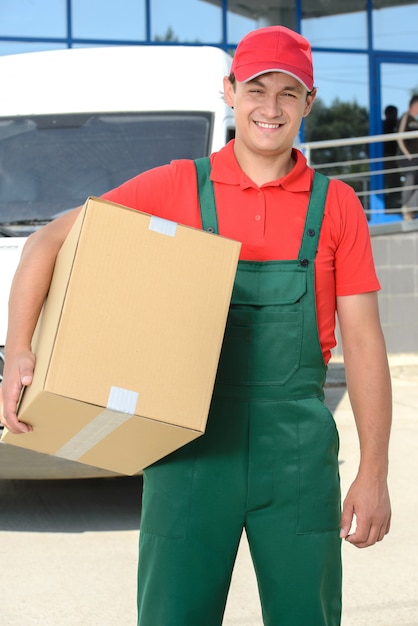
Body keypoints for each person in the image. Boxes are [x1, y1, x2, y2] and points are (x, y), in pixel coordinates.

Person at [0, 26, 392, 626]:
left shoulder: (335, 204)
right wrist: (21, 351)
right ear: (230, 91)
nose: (271, 107)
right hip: (186, 447)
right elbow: (46, 242)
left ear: (309, 104)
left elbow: (364, 347)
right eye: (257, 89)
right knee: (171, 617)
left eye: (290, 93)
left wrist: (373, 473)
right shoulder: (179, 186)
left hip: (296, 452)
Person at [396, 94, 418, 220]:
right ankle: (406, 210)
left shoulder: (415, 120)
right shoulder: (405, 117)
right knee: (409, 183)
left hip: (415, 157)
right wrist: (408, 155)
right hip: (408, 158)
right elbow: (399, 137)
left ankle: (410, 208)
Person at [382, 104, 401, 211]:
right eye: (394, 114)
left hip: (388, 158)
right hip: (387, 157)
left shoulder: (381, 125)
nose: (396, 116)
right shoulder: (390, 124)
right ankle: (390, 205)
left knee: (392, 182)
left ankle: (389, 204)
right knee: (395, 182)